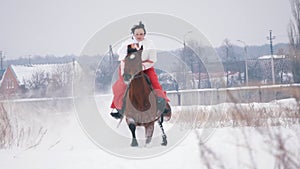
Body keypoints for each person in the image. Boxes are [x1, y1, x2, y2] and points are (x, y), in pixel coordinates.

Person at [110, 21, 170, 119]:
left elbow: (152, 60)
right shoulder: (126, 45)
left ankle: (161, 103)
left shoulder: (149, 44)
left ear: (144, 34)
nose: (139, 36)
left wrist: (142, 67)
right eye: (137, 34)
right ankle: (118, 108)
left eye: (141, 34)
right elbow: (123, 61)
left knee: (154, 82)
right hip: (129, 68)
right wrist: (124, 74)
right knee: (120, 86)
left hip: (145, 67)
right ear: (133, 34)